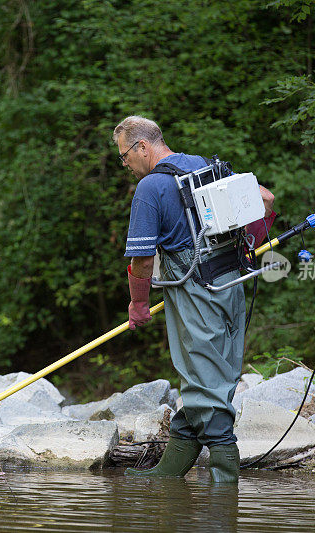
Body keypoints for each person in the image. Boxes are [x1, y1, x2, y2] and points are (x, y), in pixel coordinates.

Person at [113, 115, 275, 483]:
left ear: (142, 147)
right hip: (230, 285)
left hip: (194, 291)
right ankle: (169, 472)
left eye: (124, 156)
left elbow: (141, 260)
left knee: (204, 379)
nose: (125, 165)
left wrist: (138, 305)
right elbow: (265, 198)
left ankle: (224, 492)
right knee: (212, 378)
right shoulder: (201, 166)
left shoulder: (150, 188)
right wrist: (251, 243)